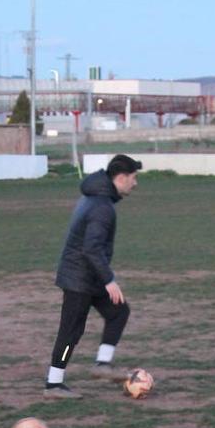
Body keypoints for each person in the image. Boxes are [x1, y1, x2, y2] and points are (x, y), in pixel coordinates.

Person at [44, 153, 143, 398]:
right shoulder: (102, 207)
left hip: (89, 277)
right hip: (79, 280)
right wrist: (109, 280)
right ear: (121, 178)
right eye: (134, 177)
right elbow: (91, 249)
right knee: (70, 334)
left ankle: (102, 364)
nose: (135, 183)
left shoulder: (95, 198)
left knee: (119, 311)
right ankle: (54, 384)